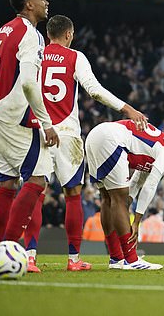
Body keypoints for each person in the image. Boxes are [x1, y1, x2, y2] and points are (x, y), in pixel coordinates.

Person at [19, 15, 148, 272]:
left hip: (39, 130)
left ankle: (30, 257)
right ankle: (73, 259)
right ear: (69, 34)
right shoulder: (75, 57)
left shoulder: (35, 54)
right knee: (73, 196)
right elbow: (95, 90)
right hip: (67, 133)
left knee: (35, 195)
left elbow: (22, 86)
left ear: (48, 34)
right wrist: (126, 108)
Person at [0, 0, 59, 253]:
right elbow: (27, 83)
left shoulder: (4, 30)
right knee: (37, 180)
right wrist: (46, 123)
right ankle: (9, 250)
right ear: (29, 5)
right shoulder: (31, 34)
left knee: (7, 180)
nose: (46, 1)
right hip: (15, 118)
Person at [85, 120, 164, 270]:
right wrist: (136, 221)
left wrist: (127, 204)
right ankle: (131, 260)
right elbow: (150, 185)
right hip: (112, 139)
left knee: (107, 198)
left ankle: (116, 258)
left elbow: (138, 180)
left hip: (95, 136)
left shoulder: (155, 152)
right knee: (118, 199)